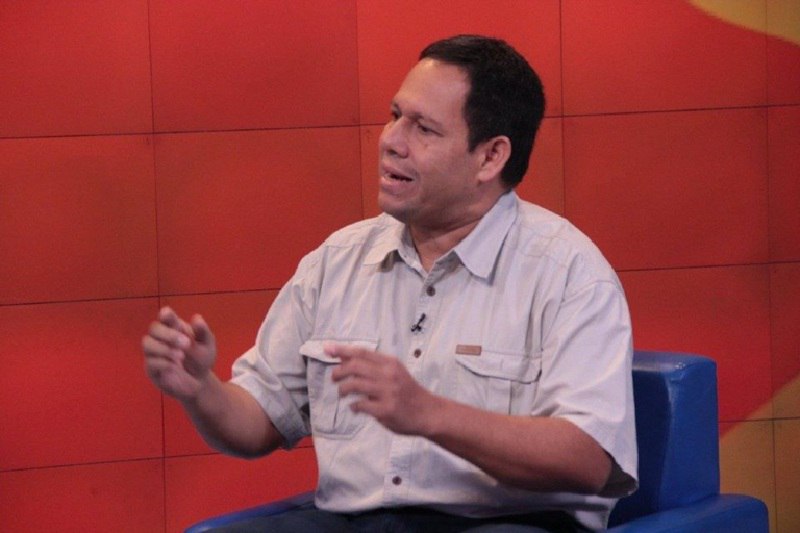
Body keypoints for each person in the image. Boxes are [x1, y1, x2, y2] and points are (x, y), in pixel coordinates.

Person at [143, 35, 637, 532]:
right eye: (395, 115)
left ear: (490, 157)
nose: (391, 141)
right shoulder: (338, 260)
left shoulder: (567, 272)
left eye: (423, 128)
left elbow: (589, 459)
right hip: (354, 522)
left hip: (510, 522)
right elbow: (256, 424)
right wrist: (200, 389)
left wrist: (430, 414)